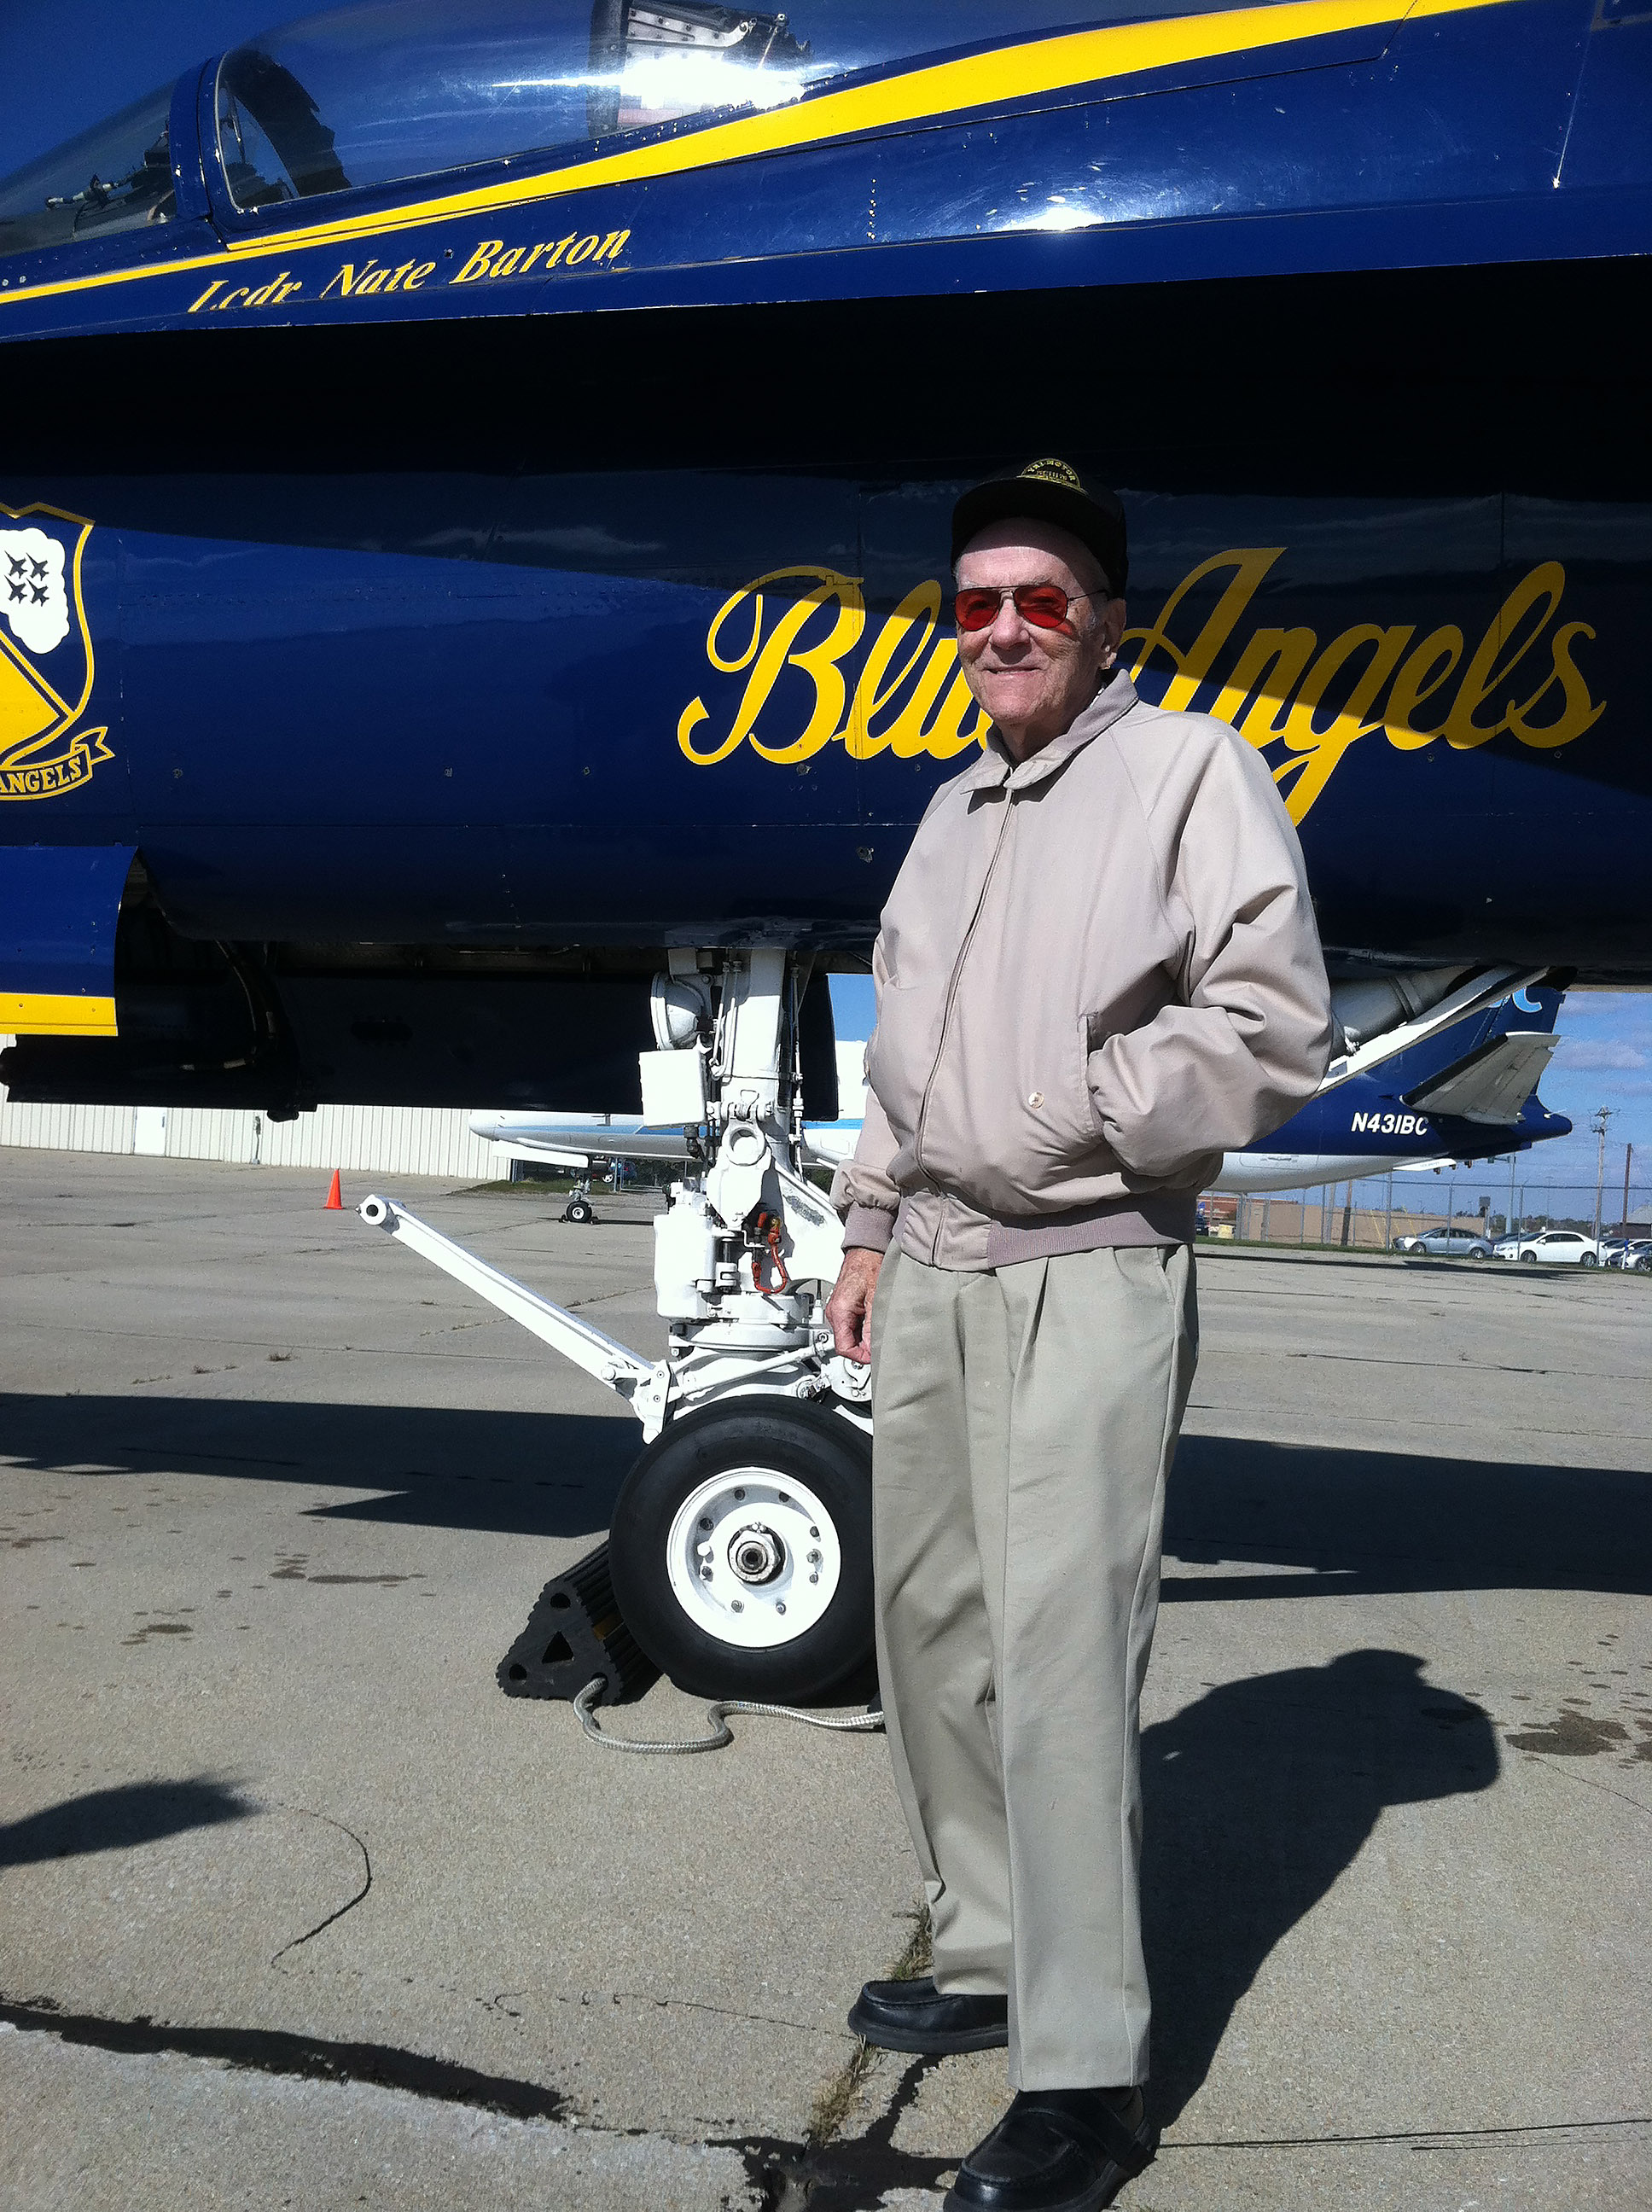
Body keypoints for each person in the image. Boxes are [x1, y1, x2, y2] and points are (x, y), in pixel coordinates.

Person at [824, 459, 1334, 2212]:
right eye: (975, 605)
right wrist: (870, 1220)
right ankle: (983, 1952)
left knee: (1055, 1659)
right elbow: (899, 1046)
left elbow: (1271, 1024)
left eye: (1041, 599)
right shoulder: (952, 811)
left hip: (1089, 1263)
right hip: (938, 1278)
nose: (1006, 631)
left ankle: (1085, 2078)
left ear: (1103, 615)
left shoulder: (1190, 770)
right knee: (926, 1629)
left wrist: (1076, 1106)